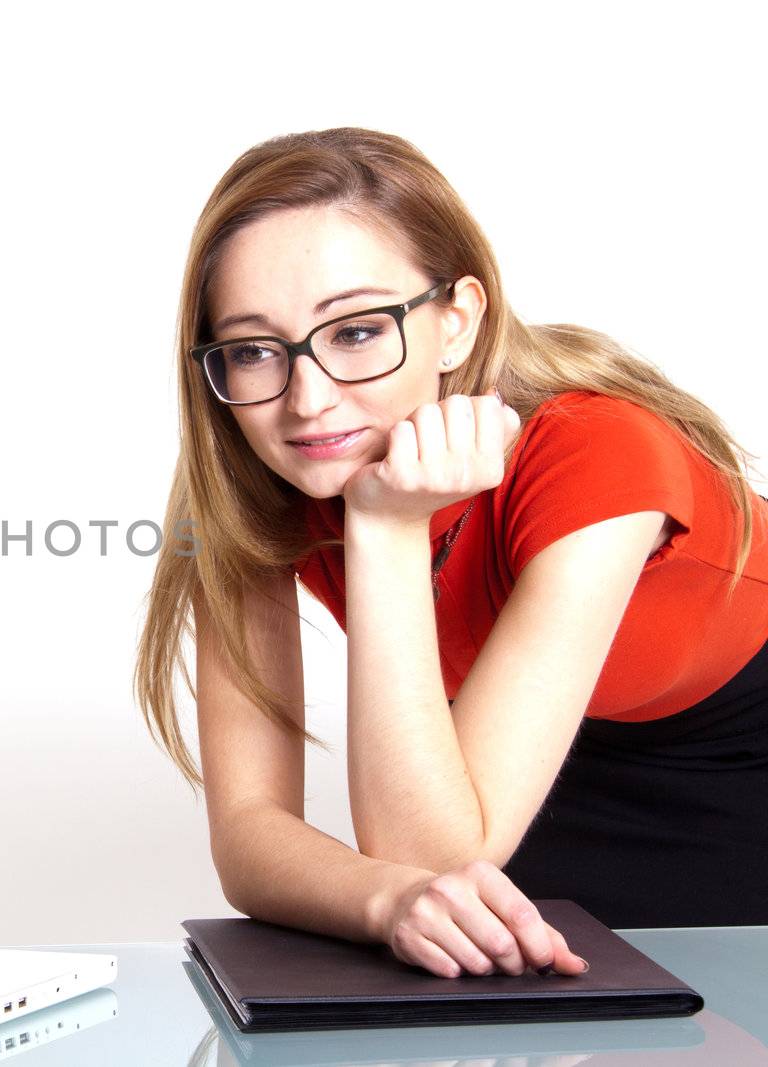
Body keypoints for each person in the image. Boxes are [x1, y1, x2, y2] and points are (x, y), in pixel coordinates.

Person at [135, 128, 768, 980]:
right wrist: (381, 898)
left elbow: (428, 849)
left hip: (737, 774)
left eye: (357, 331)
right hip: (507, 777)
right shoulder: (261, 477)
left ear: (457, 323)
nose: (308, 400)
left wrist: (388, 529)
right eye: (253, 350)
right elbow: (250, 829)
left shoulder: (601, 449)